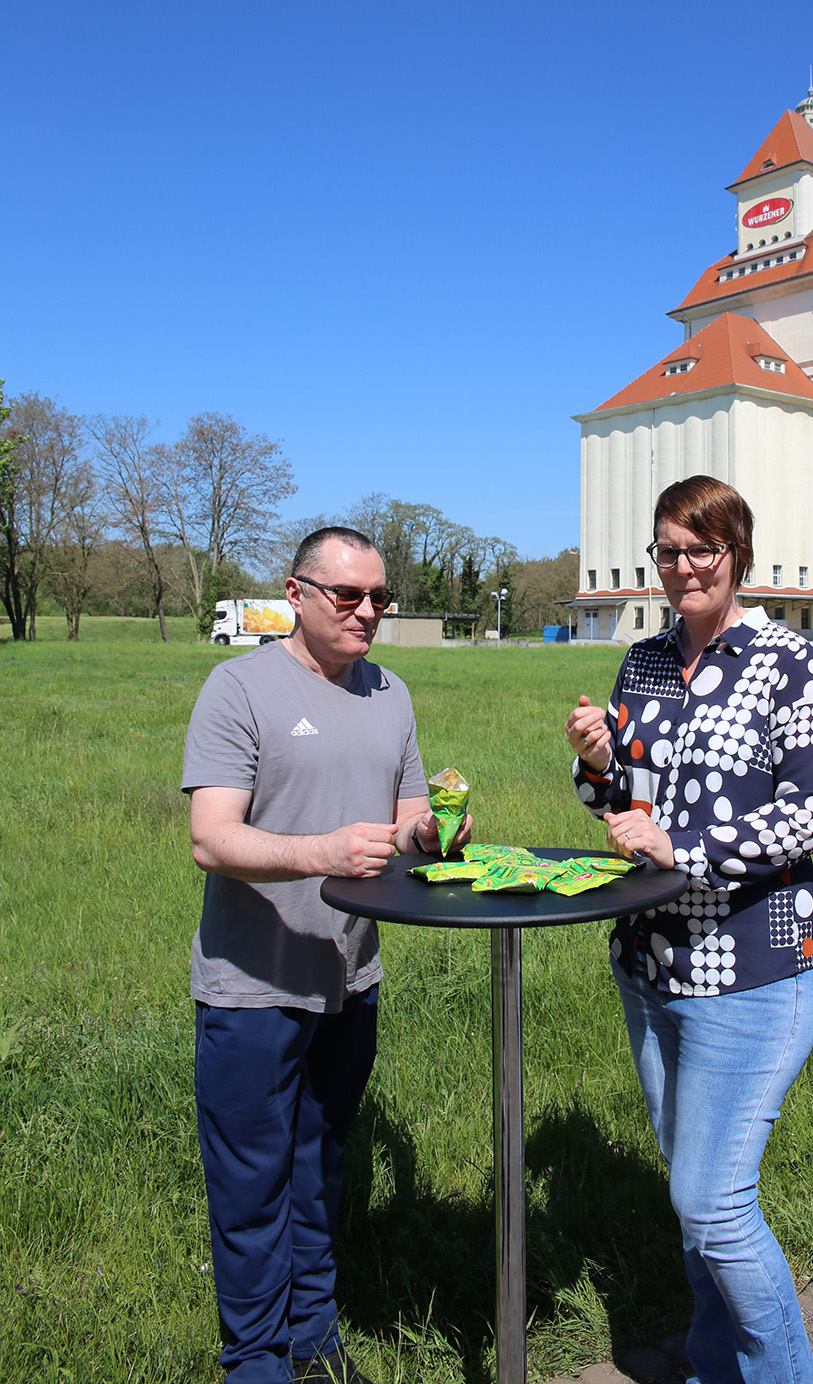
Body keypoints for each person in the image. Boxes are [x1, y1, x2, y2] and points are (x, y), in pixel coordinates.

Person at [564, 476, 813, 1384]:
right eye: (668, 552)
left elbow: (811, 811)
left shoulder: (787, 662)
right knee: (695, 1205)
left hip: (753, 970)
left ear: (736, 554)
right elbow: (625, 804)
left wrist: (682, 848)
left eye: (701, 550)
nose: (683, 568)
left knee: (714, 1205)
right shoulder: (642, 662)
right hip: (651, 966)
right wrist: (599, 763)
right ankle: (717, 1368)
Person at [183, 525, 470, 1384]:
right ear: (296, 593)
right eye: (348, 595)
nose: (368, 611)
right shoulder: (239, 689)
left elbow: (408, 824)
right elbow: (210, 838)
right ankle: (256, 1361)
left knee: (320, 1167)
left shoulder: (390, 691)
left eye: (380, 597)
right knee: (251, 1188)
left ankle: (314, 1342)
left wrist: (434, 833)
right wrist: (323, 853)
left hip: (351, 979)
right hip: (253, 986)